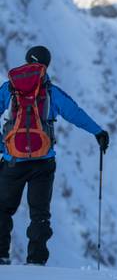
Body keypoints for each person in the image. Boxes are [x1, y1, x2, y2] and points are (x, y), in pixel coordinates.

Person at [0, 46, 109, 265]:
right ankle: (36, 261)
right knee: (39, 213)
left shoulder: (9, 89)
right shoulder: (51, 92)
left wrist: (4, 146)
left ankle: (1, 256)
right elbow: (74, 112)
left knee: (2, 209)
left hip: (12, 161)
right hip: (43, 161)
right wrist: (98, 132)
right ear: (46, 65)